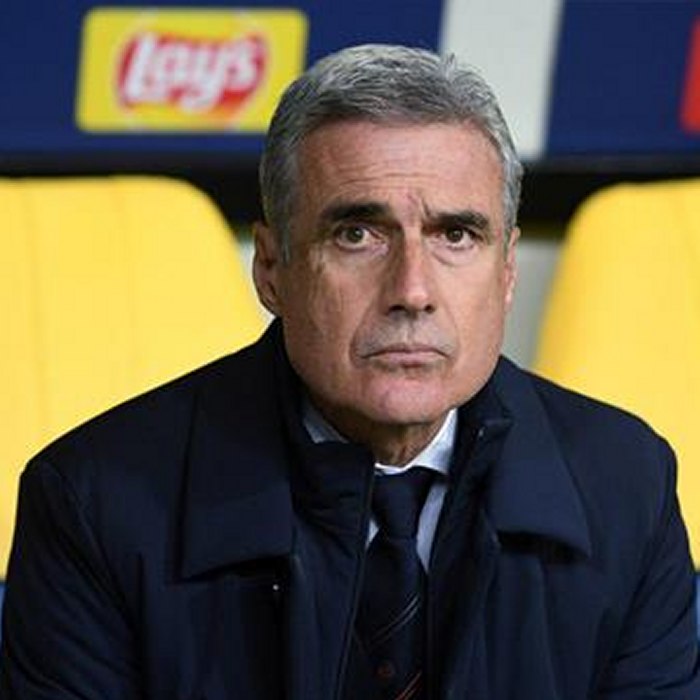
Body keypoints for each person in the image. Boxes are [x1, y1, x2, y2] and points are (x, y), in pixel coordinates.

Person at [0, 44, 698, 700]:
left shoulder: (627, 487)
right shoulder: (93, 503)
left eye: (456, 235)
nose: (412, 290)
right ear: (272, 269)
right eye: (357, 235)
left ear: (507, 271)